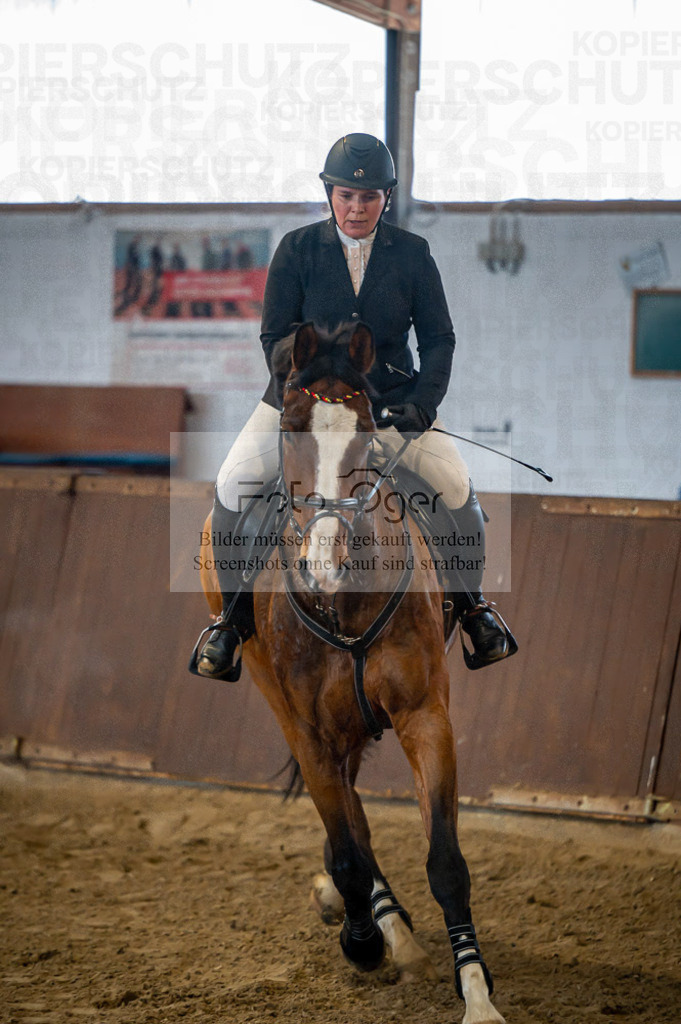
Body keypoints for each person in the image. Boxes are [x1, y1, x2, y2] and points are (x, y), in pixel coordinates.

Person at [192, 133, 515, 681]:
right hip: (303, 405)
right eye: (346, 196)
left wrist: (422, 404)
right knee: (231, 484)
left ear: (386, 197)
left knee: (457, 489)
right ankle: (232, 621)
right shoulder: (296, 249)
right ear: (330, 194)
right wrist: (312, 381)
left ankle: (474, 608)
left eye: (369, 197)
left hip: (390, 407)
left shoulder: (412, 254)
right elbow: (274, 336)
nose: (357, 208)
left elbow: (439, 339)